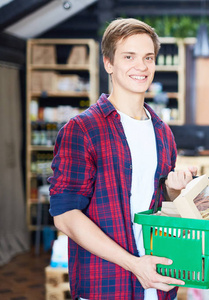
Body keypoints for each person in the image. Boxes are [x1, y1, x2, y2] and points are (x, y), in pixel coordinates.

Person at [48, 18, 196, 300]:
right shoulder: (83, 129)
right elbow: (65, 216)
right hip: (107, 286)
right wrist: (134, 265)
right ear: (109, 64)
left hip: (159, 285)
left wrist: (174, 192)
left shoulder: (162, 132)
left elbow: (153, 203)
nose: (141, 66)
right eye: (129, 57)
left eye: (148, 57)